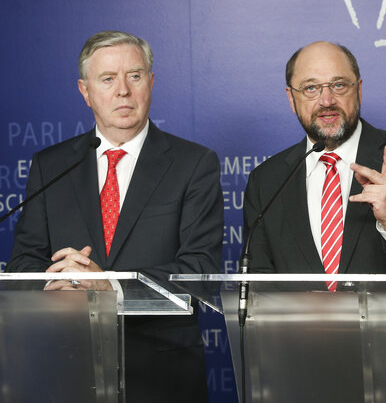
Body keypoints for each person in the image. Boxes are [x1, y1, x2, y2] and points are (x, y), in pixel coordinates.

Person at [243, 41, 386, 403]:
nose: (327, 100)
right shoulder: (267, 181)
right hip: (306, 379)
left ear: (359, 89)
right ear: (292, 97)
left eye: (339, 85)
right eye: (312, 88)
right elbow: (256, 289)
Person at [6, 31, 223, 402]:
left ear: (151, 83)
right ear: (85, 90)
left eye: (134, 76)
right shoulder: (51, 165)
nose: (123, 90)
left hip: (163, 375)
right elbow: (23, 263)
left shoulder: (193, 164)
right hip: (67, 368)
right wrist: (62, 280)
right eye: (108, 79)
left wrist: (108, 286)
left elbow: (200, 270)